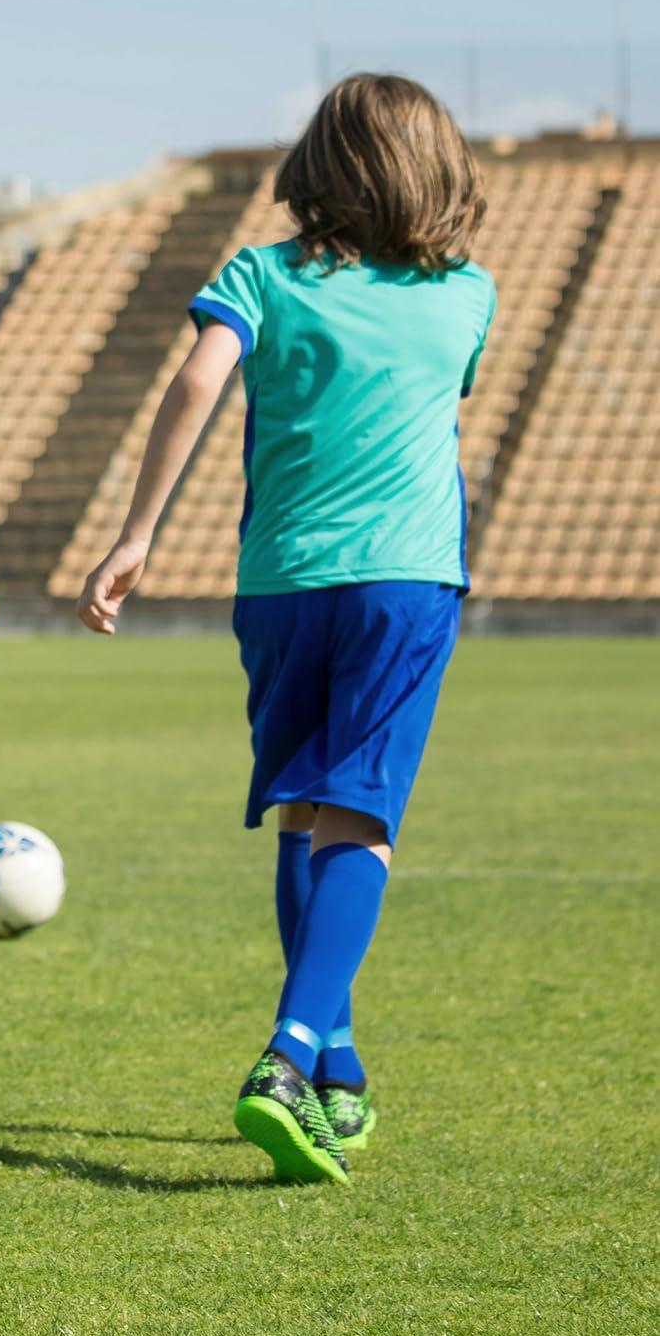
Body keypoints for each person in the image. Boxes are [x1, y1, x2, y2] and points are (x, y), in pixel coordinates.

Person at [78, 73, 493, 1184]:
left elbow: (196, 385)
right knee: (362, 816)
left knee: (306, 814)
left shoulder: (259, 274)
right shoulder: (467, 296)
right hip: (404, 581)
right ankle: (291, 1051)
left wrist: (137, 533)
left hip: (277, 586)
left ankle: (339, 1066)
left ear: (315, 171)